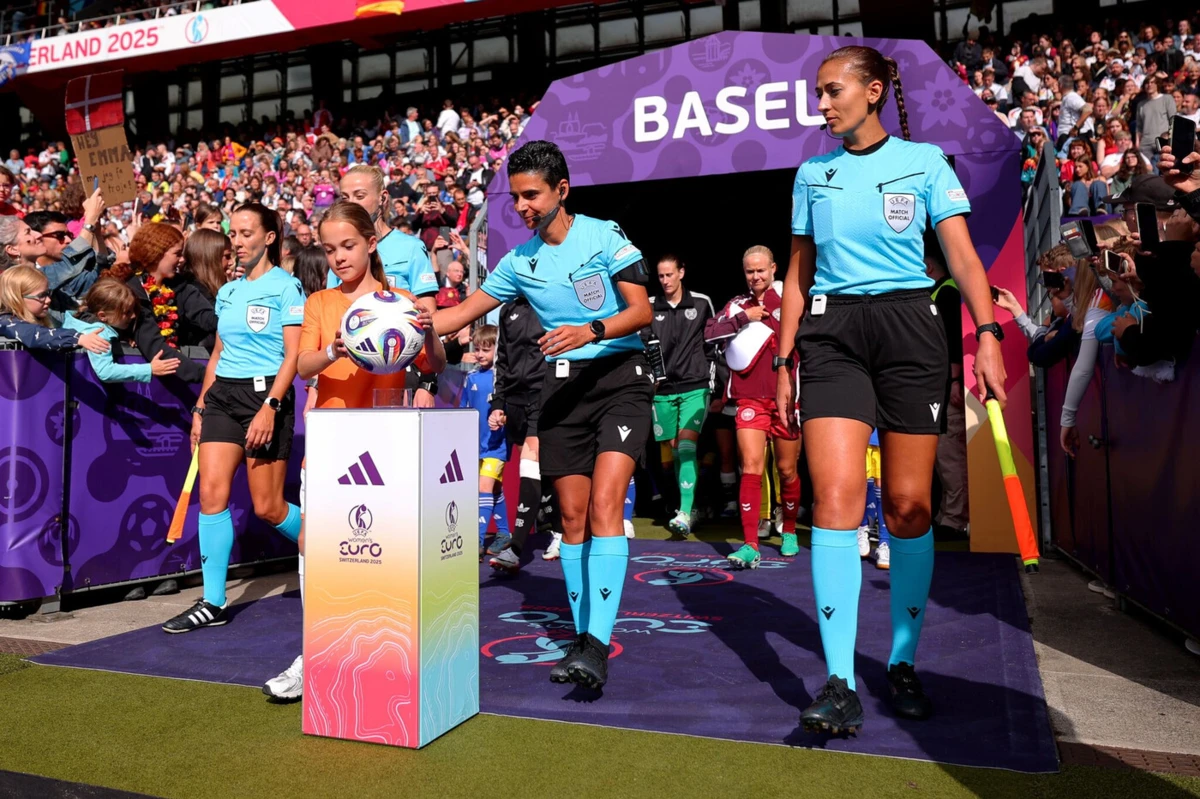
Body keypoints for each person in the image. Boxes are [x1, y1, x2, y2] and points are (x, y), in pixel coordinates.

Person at [776, 45, 1006, 732]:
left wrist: (988, 333)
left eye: (832, 91)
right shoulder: (811, 174)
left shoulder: (926, 162)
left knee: (908, 506)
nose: (821, 105)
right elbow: (798, 273)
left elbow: (962, 257)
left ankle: (902, 661)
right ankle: (840, 681)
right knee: (836, 501)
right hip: (832, 335)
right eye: (818, 93)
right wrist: (785, 358)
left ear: (873, 91)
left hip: (911, 329)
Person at [432, 140, 653, 690]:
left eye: (532, 194)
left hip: (620, 380)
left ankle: (596, 646)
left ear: (562, 190)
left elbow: (641, 311)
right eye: (516, 197)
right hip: (562, 390)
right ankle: (583, 638)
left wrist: (589, 331)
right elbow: (457, 316)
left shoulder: (604, 235)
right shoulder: (518, 262)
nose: (522, 206)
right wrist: (397, 318)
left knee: (605, 504)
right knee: (572, 518)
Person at [263, 201, 445, 700]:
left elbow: (433, 363)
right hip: (329, 443)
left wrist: (430, 329)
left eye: (348, 246)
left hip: (385, 447)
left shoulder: (401, 302)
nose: (339, 257)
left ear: (371, 243)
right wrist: (334, 350)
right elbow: (303, 365)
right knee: (316, 546)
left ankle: (380, 657)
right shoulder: (321, 302)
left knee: (377, 552)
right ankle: (315, 654)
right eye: (330, 250)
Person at [161, 204, 306, 634]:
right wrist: (200, 408)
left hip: (266, 397)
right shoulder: (227, 291)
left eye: (246, 233)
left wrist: (270, 407)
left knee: (268, 508)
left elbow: (294, 356)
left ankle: (334, 547)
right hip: (223, 396)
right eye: (234, 234)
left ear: (269, 238)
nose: (237, 242)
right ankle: (213, 601)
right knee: (211, 494)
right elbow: (218, 355)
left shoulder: (288, 288)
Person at [705, 247, 802, 567]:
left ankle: (789, 530)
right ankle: (750, 544)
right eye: (750, 271)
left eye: (761, 270)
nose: (756, 276)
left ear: (774, 268)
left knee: (787, 470)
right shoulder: (737, 304)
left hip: (787, 400)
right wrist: (744, 318)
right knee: (750, 467)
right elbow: (709, 333)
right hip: (748, 399)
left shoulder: (789, 299)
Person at [334, 164, 440, 407]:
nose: (351, 204)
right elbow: (330, 323)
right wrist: (315, 385)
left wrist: (427, 382)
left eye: (360, 196)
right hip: (349, 377)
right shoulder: (339, 254)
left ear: (382, 198)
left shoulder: (410, 248)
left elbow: (430, 320)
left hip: (400, 375)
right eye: (345, 197)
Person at [487, 295, 563, 573]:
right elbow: (502, 360)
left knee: (529, 468)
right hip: (514, 403)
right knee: (542, 474)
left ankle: (515, 548)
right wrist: (498, 403)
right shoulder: (508, 309)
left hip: (544, 396)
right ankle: (560, 530)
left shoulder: (553, 301)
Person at [643, 255, 715, 538]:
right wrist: (651, 380)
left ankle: (684, 511)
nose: (665, 281)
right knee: (674, 450)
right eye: (661, 276)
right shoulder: (649, 305)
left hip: (695, 386)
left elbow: (713, 344)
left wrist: (713, 381)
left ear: (681, 272)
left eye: (670, 274)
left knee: (686, 445)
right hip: (662, 392)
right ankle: (691, 507)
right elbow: (642, 345)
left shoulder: (701, 303)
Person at [107, 223, 216, 383]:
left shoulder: (181, 286)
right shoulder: (130, 292)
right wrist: (208, 375)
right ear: (156, 254)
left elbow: (208, 318)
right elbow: (156, 348)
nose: (182, 259)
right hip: (136, 386)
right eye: (177, 254)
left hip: (176, 379)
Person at [925, 242, 968, 541]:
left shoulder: (948, 292)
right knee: (943, 457)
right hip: (937, 388)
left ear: (928, 268)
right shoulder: (938, 292)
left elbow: (954, 338)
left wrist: (954, 381)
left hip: (947, 388)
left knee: (951, 456)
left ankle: (956, 520)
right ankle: (946, 515)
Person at [63, 279, 181, 383]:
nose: (133, 316)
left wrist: (122, 337)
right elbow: (105, 371)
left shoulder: (81, 320)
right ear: (102, 316)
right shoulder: (99, 333)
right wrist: (149, 369)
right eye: (127, 312)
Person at [462, 325, 511, 559]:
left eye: (486, 349)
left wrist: (503, 419)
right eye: (477, 349)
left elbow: (510, 411)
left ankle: (477, 542)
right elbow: (463, 410)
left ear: (497, 350)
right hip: (475, 446)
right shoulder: (470, 377)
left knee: (483, 488)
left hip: (496, 447)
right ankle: (504, 533)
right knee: (494, 489)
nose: (480, 354)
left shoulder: (503, 379)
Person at [0, 265, 110, 353]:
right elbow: (36, 335)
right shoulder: (6, 323)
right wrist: (77, 338)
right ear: (17, 298)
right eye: (41, 296)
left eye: (48, 293)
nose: (48, 300)